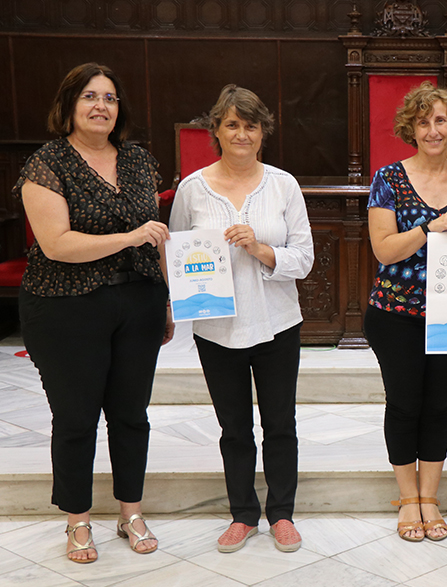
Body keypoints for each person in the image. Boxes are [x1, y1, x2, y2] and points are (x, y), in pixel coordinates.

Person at [16, 63, 173, 563]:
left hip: (139, 302)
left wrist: (168, 298)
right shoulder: (47, 163)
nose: (101, 106)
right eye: (89, 96)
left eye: (109, 97)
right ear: (68, 105)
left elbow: (160, 239)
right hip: (66, 306)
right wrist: (128, 237)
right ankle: (78, 521)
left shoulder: (138, 161)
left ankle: (130, 512)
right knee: (77, 417)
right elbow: (57, 244)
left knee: (131, 415)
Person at [168, 85, 314, 554]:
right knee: (234, 428)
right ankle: (243, 515)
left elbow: (305, 259)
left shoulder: (283, 184)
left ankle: (283, 514)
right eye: (232, 124)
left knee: (281, 424)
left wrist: (260, 248)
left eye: (250, 124)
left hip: (277, 322)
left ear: (262, 131)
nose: (242, 133)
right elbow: (176, 257)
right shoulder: (192, 189)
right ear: (216, 130)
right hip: (216, 328)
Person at [364, 81, 447, 542]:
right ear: (410, 128)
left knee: (438, 406)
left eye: (440, 120)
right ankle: (407, 499)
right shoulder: (388, 178)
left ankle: (429, 498)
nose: (432, 129)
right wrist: (430, 228)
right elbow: (384, 249)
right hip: (396, 314)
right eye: (422, 121)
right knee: (405, 404)